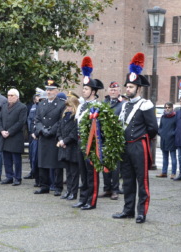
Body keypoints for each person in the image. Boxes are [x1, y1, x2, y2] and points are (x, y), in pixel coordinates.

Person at [112, 53, 158, 224]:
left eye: (131, 87)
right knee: (128, 179)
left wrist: (141, 139)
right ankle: (128, 209)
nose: (128, 90)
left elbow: (153, 128)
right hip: (125, 146)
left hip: (139, 146)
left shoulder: (145, 104)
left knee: (142, 180)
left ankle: (141, 212)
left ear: (138, 88)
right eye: (127, 87)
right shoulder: (124, 105)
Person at [72, 56, 104, 210]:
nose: (83, 91)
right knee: (83, 173)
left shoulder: (98, 106)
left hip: (92, 144)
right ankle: (83, 198)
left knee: (92, 174)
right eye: (83, 88)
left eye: (85, 89)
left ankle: (91, 201)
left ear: (93, 91)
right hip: (81, 142)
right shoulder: (81, 106)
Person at [33, 80, 65, 195]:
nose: (48, 92)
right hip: (43, 137)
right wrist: (42, 129)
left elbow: (61, 121)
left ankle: (57, 186)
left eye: (51, 90)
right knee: (42, 163)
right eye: (47, 89)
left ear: (57, 91)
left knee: (56, 164)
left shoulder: (61, 104)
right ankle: (44, 185)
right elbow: (37, 119)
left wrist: (51, 131)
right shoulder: (42, 104)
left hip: (54, 137)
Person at [0, 89, 27, 186]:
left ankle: (17, 178)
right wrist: (1, 130)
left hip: (15, 136)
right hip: (4, 136)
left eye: (12, 95)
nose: (9, 97)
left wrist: (9, 132)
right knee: (6, 158)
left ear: (17, 97)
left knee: (16, 159)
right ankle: (9, 176)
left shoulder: (22, 107)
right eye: (8, 95)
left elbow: (21, 122)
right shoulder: (4, 106)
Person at [100, 81, 124, 200]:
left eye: (115, 90)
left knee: (114, 167)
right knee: (105, 165)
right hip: (104, 138)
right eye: (111, 90)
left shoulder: (122, 104)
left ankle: (115, 190)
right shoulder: (104, 103)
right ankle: (107, 189)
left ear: (119, 91)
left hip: (115, 139)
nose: (113, 92)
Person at [57, 96, 80, 201]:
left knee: (74, 172)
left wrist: (64, 141)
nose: (68, 108)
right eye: (67, 106)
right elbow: (59, 129)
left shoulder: (76, 117)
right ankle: (68, 191)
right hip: (64, 147)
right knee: (68, 172)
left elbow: (74, 133)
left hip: (73, 148)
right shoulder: (64, 116)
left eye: (70, 106)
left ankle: (73, 192)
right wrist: (60, 139)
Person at [156, 102, 177, 178]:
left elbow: (177, 129)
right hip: (163, 139)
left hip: (172, 140)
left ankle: (173, 173)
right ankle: (164, 172)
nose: (167, 109)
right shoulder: (163, 117)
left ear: (172, 108)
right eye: (166, 107)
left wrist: (172, 133)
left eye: (169, 107)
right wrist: (160, 132)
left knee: (173, 158)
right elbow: (160, 127)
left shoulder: (175, 117)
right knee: (165, 157)